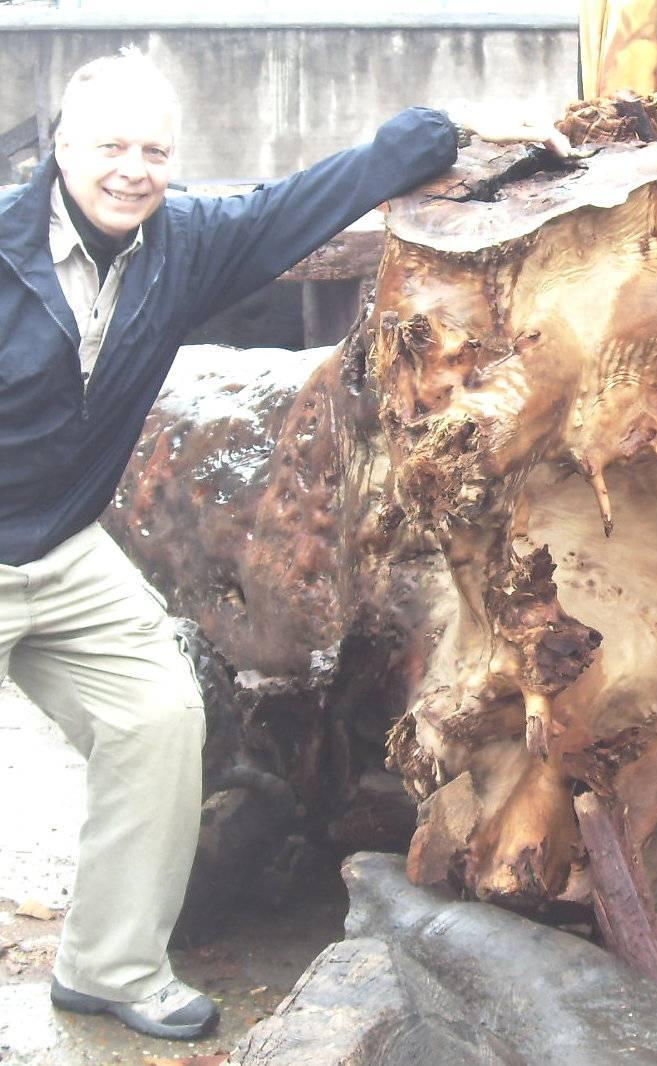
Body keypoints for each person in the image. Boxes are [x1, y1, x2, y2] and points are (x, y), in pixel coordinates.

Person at [0, 48, 566, 1041]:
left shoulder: (180, 243)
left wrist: (437, 132)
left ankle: (111, 962)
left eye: (154, 149)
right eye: (111, 147)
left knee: (157, 718)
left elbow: (307, 198)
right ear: (58, 150)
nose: (133, 168)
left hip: (59, 544)